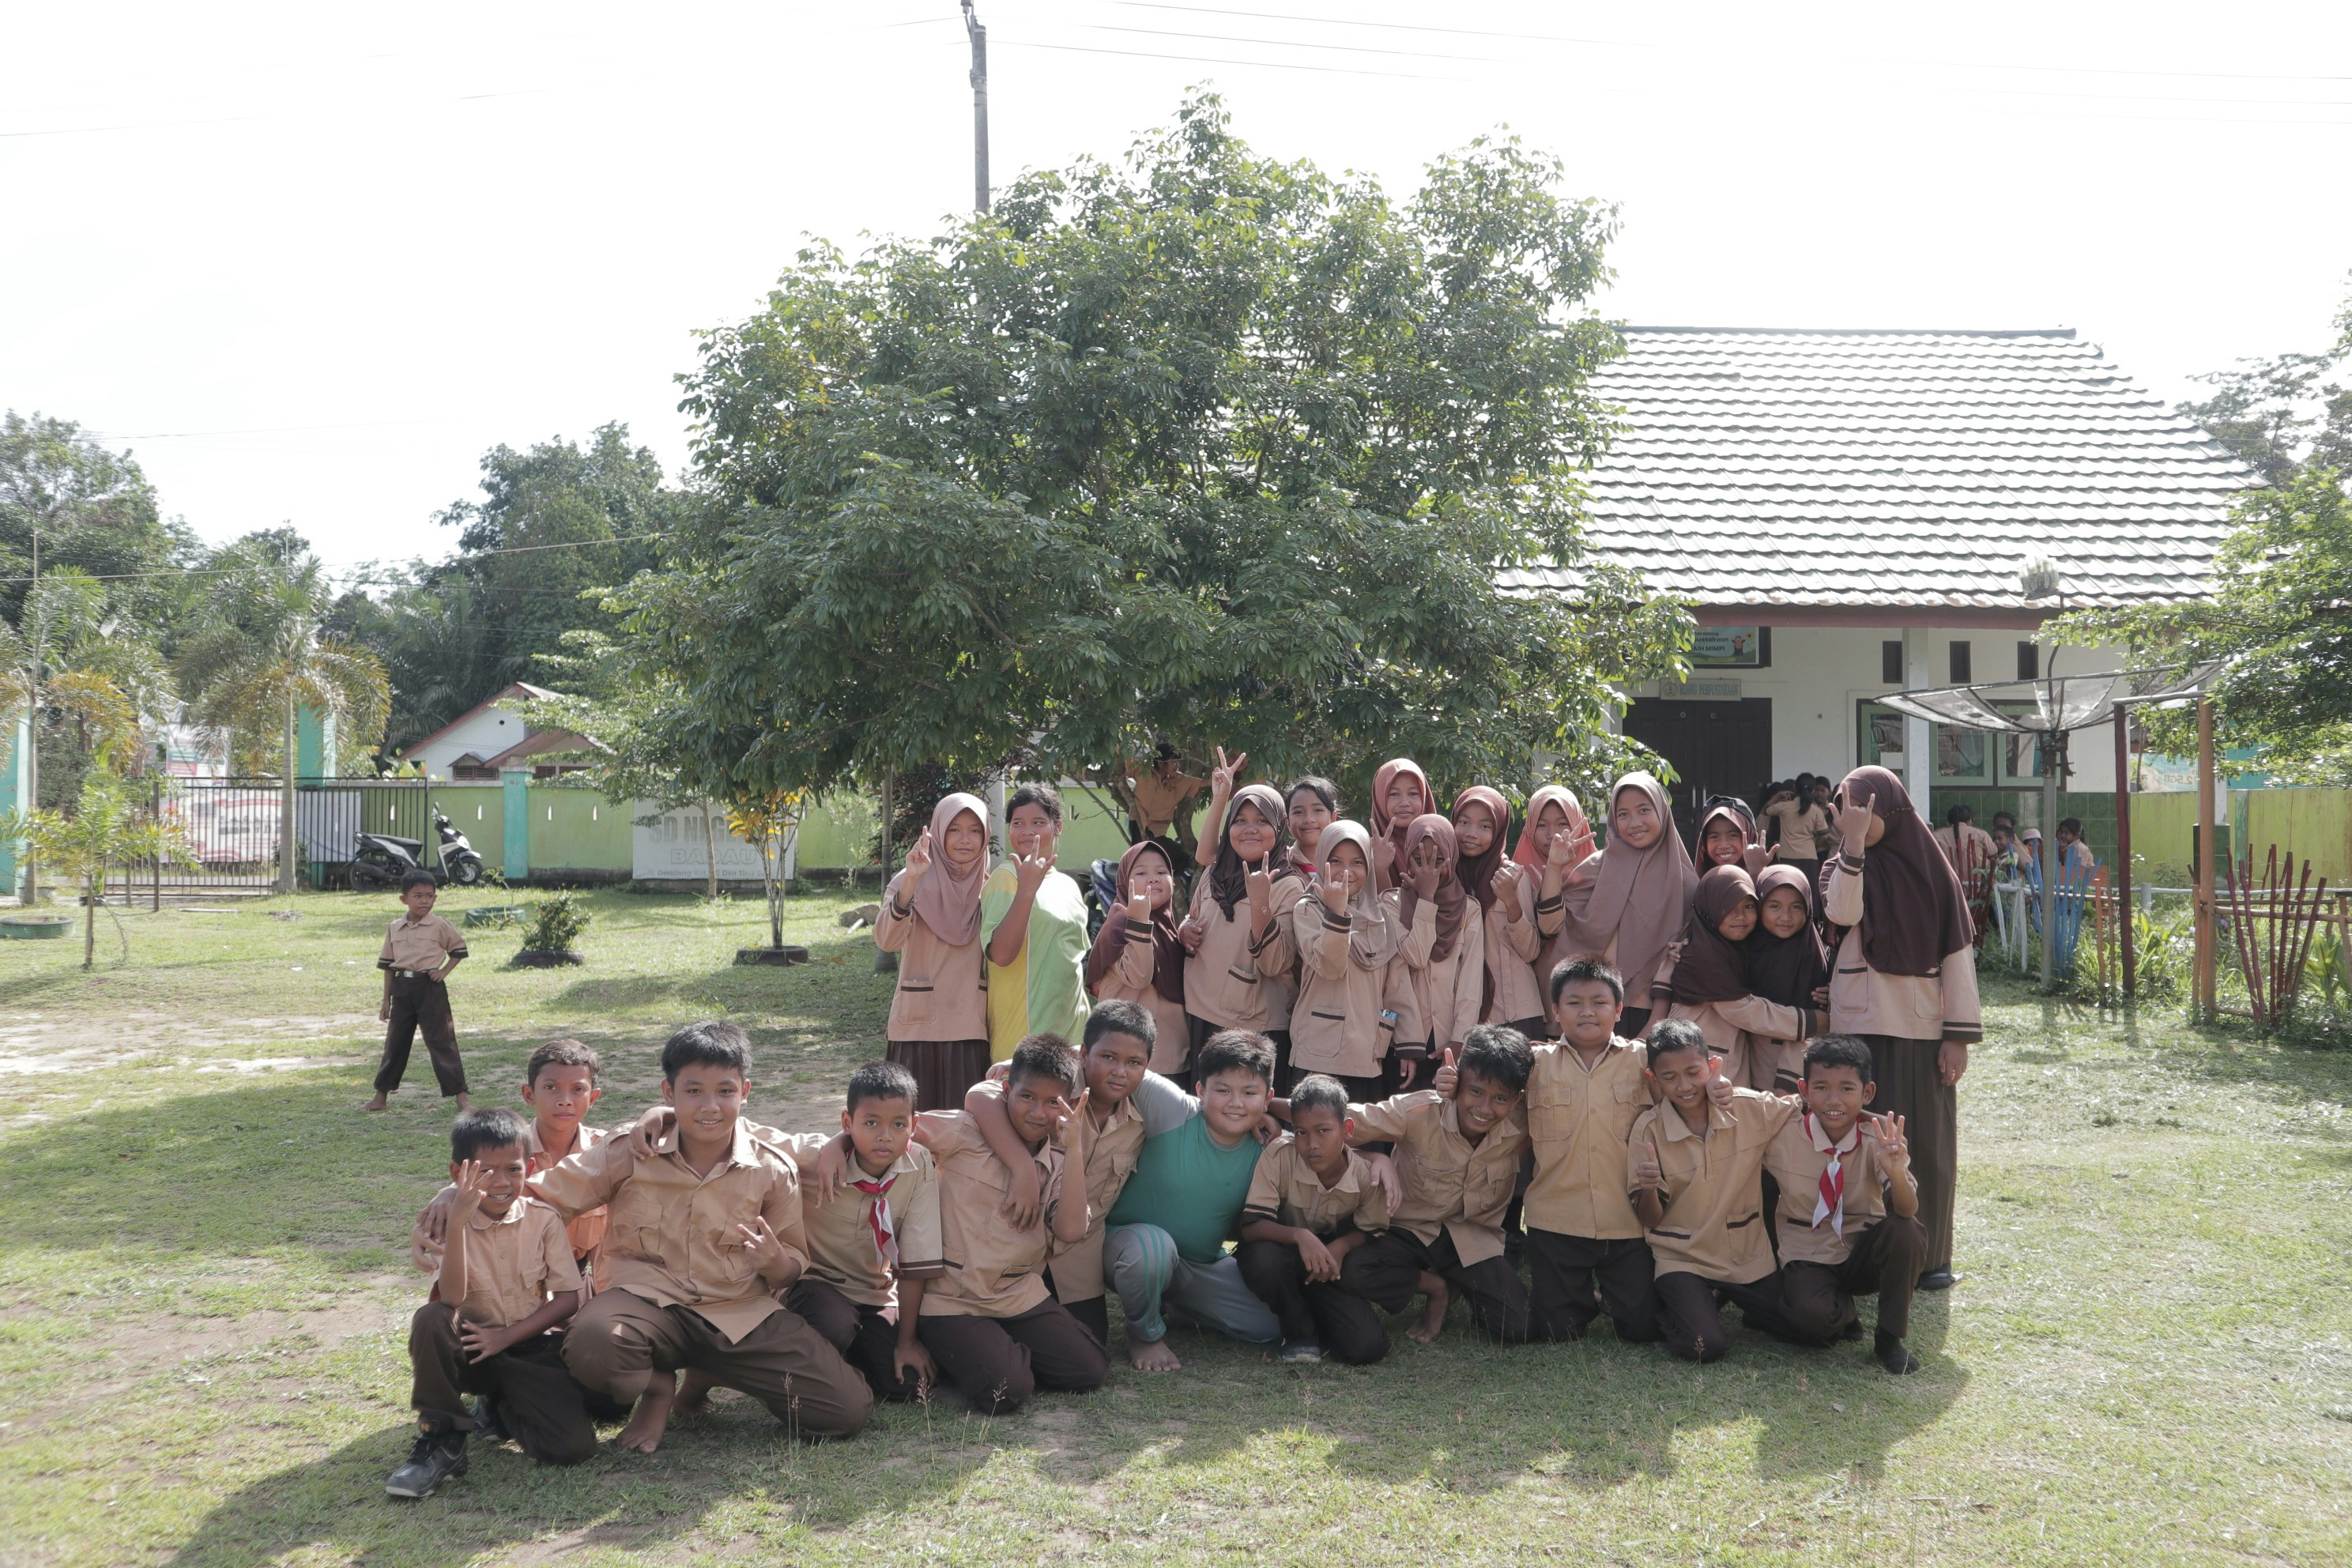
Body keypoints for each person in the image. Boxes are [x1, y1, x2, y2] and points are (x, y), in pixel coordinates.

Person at [530, 1022, 872, 1453]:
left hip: (738, 1314)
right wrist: (456, 1198)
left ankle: (710, 1372)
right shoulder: (632, 1150)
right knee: (594, 1346)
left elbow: (791, 1263)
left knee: (845, 1411)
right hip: (644, 1303)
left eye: (725, 1091)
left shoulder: (771, 1168)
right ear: (668, 1093)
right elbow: (542, 1195)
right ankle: (658, 1389)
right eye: (693, 1091)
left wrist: (773, 1263)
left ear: (745, 1092)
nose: (710, 1106)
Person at [1822, 765, 1981, 1293]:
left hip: (1920, 1030)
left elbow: (1957, 957)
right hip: (1859, 1027)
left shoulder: (1937, 873)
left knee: (1928, 1147)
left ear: (1889, 808)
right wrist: (1852, 843)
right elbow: (1842, 913)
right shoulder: (1842, 865)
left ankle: (1931, 1255)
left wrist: (1956, 1035)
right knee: (1861, 1143)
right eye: (1846, 807)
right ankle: (1870, 1256)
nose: (1856, 816)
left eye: (1863, 808)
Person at [388, 1108, 596, 1497]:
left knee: (572, 1450)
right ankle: (442, 1437)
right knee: (432, 1318)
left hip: (528, 1346)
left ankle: (501, 1406)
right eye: (485, 1171)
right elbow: (451, 1298)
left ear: (530, 1167)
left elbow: (567, 1298)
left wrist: (506, 1338)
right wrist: (458, 1226)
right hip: (469, 1349)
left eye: (513, 1170)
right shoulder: (444, 1220)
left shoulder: (543, 1219)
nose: (500, 1183)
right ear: (458, 1173)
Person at [913, 1034, 1109, 1414]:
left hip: (1016, 1293)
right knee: (1008, 1391)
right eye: (1027, 1098)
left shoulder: (1057, 1155)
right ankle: (972, 1350)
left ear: (1067, 1105)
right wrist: (840, 1142)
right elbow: (896, 1131)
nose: (1038, 1113)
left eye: (1053, 1102)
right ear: (1006, 1091)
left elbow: (1070, 1231)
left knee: (1090, 1371)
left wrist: (1073, 1149)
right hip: (953, 1298)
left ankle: (988, 1348)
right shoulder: (965, 1131)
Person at [957, 1001, 1155, 1345]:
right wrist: (1023, 1169)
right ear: (1084, 1054)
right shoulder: (1053, 1088)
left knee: (1090, 1345)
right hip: (1015, 1245)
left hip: (1076, 1259)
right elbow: (981, 1095)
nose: (1120, 1071)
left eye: (1133, 1063)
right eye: (1107, 1058)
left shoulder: (1138, 1125)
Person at [408, 1042, 613, 1370]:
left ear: (594, 1097)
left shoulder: (605, 1153)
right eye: (551, 1088)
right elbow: (473, 1180)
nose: (564, 1099)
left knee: (599, 1390)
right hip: (508, 1281)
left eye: (578, 1090)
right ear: (528, 1095)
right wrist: (447, 1193)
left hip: (573, 1284)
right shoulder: (507, 1146)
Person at [748, 1061, 946, 1404]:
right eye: (871, 1123)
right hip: (812, 1285)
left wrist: (906, 1342)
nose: (885, 1135)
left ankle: (841, 1360)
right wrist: (663, 1115)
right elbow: (742, 1130)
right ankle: (804, 1368)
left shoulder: (918, 1166)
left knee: (907, 1385)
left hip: (872, 1292)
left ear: (913, 1126)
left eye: (898, 1125)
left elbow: (915, 1259)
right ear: (846, 1122)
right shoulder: (814, 1156)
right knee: (834, 1322)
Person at [1103, 1028, 1288, 1372]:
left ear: (1268, 1098)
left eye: (1249, 1093)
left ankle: (1180, 1307)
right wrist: (1013, 1063)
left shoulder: (1270, 1148)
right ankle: (1143, 1334)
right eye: (1223, 1090)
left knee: (1271, 1325)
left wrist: (1377, 1159)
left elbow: (1323, 1141)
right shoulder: (1174, 1110)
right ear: (1201, 1090)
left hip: (1195, 1265)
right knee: (1155, 1250)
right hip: (1125, 1249)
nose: (1235, 1103)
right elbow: (1111, 1063)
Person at [1339, 1027, 1534, 1345]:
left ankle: (1459, 1282)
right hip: (1408, 1231)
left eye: (1500, 1098)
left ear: (1517, 1099)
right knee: (1355, 1269)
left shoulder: (1523, 1122)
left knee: (1517, 1327)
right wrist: (1260, 1111)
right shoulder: (1419, 1111)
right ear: (1457, 1081)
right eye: (1476, 1092)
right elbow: (1334, 1121)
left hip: (1473, 1238)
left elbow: (1556, 1059)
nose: (1485, 1109)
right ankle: (1437, 1288)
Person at [1626, 1020, 1805, 1363]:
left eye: (1694, 1072)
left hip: (1745, 1255)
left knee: (1811, 1330)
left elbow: (1804, 1103)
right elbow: (1649, 1217)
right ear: (1653, 1079)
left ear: (1711, 1066)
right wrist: (1648, 1189)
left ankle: (1726, 1298)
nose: (1684, 1085)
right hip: (1682, 1256)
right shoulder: (1648, 1130)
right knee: (1705, 1345)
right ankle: (1688, 1301)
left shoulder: (1746, 1106)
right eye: (1670, 1077)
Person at [1522, 957, 1664, 1346]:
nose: (1588, 1012)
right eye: (1574, 1002)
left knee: (1643, 1330)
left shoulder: (1646, 1061)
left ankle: (1610, 1298)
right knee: (1556, 1333)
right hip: (1556, 1223)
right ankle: (1583, 1298)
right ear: (1555, 1010)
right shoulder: (1532, 1065)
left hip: (1628, 1223)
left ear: (1619, 1009)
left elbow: (1688, 1097)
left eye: (1600, 1002)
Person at [1764, 1035, 1926, 1375]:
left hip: (1860, 1248)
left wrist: (1896, 1173)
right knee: (1812, 1324)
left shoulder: (1879, 1138)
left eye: (1847, 1089)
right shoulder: (1782, 1134)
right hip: (1806, 1249)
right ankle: (1843, 1312)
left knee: (1906, 1230)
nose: (1833, 1100)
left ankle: (1889, 1338)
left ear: (1867, 1093)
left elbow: (1907, 1209)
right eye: (1821, 1088)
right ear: (1804, 1090)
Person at [1236, 1073, 1394, 1365]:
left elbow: (1372, 1231)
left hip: (1324, 1263)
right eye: (1301, 1133)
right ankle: (1298, 1332)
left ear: (1346, 1129)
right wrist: (1300, 1236)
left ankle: (1314, 1312)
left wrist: (1342, 1246)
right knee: (1264, 1260)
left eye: (1323, 1131)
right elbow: (1251, 1228)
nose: (1312, 1144)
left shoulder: (1364, 1175)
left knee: (1367, 1348)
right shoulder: (1279, 1156)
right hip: (1279, 1250)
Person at [1651, 865, 1819, 1093]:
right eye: (1728, 907)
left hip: (1735, 1070)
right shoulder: (1701, 955)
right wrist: (1813, 1022)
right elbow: (1741, 1010)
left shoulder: (1740, 949)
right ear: (1711, 908)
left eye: (1749, 906)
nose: (1740, 916)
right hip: (1701, 1070)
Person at [1285, 820, 1420, 1099]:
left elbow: (1397, 985)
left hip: (1367, 1054)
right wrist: (1336, 913)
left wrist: (1408, 1043)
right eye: (1335, 861)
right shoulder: (1307, 909)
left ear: (1369, 867)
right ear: (1321, 860)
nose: (1346, 872)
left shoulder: (1380, 915)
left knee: (1360, 1138)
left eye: (1357, 862)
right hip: (1318, 1054)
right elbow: (1331, 967)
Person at [1178, 779, 1302, 1082]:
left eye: (1262, 821)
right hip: (1200, 1012)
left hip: (1253, 1024)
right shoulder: (1213, 873)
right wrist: (1185, 930)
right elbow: (1194, 917)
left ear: (1279, 827)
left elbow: (1277, 964)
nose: (1250, 829)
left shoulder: (1289, 885)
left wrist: (1261, 904)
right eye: (1240, 820)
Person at [877, 791, 993, 1110]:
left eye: (974, 830)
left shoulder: (991, 886)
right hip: (917, 1027)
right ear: (939, 832)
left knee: (964, 1128)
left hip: (969, 1025)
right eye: (954, 829)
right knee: (913, 1126)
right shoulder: (911, 878)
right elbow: (886, 941)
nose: (965, 840)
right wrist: (912, 882)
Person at [1560, 772, 1698, 1038]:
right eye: (1623, 814)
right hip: (1595, 1008)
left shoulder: (1686, 883)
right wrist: (1555, 869)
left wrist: (1654, 1024)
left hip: (1656, 1010)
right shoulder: (1595, 869)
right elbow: (1556, 926)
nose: (1634, 823)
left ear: (1662, 811)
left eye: (1644, 810)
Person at [982, 783, 1093, 1061]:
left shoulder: (1068, 885)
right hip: (1023, 1036)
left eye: (1038, 822)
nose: (1027, 831)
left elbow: (1075, 962)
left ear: (1057, 828)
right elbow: (1001, 955)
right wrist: (1026, 890)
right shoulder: (1006, 878)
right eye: (1018, 823)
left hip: (1073, 1031)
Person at [362, 869, 469, 1113]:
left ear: (435, 898)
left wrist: (443, 972)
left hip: (430, 989)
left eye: (429, 896)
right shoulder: (394, 928)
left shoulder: (440, 925)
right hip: (402, 989)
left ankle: (462, 1098)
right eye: (418, 896)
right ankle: (380, 1097)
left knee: (442, 1042)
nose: (424, 901)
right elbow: (388, 967)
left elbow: (458, 951)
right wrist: (386, 1001)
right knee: (395, 1043)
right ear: (404, 899)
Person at [1391, 813, 1483, 1084]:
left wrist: (1460, 1039)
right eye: (1419, 861)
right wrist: (1427, 898)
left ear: (1452, 859)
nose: (1428, 871)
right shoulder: (1391, 905)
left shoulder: (1470, 909)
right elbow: (1416, 956)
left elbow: (1470, 980)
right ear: (1406, 858)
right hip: (1404, 1039)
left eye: (1438, 861)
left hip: (1449, 1038)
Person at [1085, 840, 1189, 1075]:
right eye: (1141, 873)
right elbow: (1140, 976)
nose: (1153, 879)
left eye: (1162, 872)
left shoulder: (1168, 927)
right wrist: (1140, 923)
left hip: (1174, 1059)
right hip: (1130, 1064)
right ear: (1123, 882)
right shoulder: (1119, 925)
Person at [1451, 787, 1544, 1035]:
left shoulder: (1513, 875)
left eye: (1484, 826)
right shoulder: (1444, 878)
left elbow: (1531, 951)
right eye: (1464, 822)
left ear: (1499, 830)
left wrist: (1511, 902)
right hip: (1462, 1016)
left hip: (1515, 1013)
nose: (1472, 833)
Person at [1745, 868, 1832, 1095]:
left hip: (1795, 1063)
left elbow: (1817, 1023)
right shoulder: (1743, 947)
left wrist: (1789, 1079)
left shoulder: (1812, 954)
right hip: (1746, 1056)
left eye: (1796, 907)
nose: (1786, 917)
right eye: (1774, 906)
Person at [1511, 784, 1595, 1019]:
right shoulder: (1519, 875)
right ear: (1529, 829)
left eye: (1562, 824)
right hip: (1542, 999)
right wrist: (1554, 871)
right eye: (1541, 825)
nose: (1553, 834)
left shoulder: (1599, 872)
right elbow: (1549, 928)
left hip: (1595, 999)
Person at [1120, 743, 1208, 848]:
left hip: (1158, 831)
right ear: (1161, 763)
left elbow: (1203, 783)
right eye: (1173, 762)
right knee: (1140, 854)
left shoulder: (1178, 780)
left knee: (1177, 856)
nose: (1177, 766)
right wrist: (1124, 743)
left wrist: (1217, 773)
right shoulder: (1144, 771)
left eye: (1177, 762)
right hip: (1138, 822)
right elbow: (1127, 765)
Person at [1368, 757, 1434, 892]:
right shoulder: (1367, 851)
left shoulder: (1442, 845)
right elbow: (1379, 910)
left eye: (1413, 793)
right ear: (1380, 798)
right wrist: (1379, 868)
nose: (1404, 802)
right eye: (1394, 794)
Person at [1766, 777, 1834, 888]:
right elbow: (1824, 836)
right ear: (1812, 791)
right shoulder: (1816, 811)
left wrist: (1778, 796)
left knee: (1789, 889)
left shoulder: (1784, 807)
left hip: (1787, 855)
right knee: (1810, 890)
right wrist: (1814, 846)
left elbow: (1765, 810)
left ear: (1795, 788)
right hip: (1809, 856)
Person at [1693, 797, 1766, 875]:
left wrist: (1755, 873)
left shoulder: (1771, 882)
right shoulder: (1693, 884)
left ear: (1750, 837)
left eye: (1733, 836)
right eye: (1714, 837)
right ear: (1704, 842)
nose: (1723, 846)